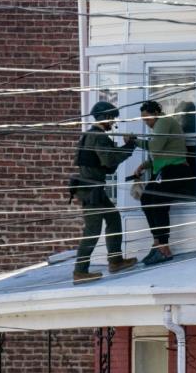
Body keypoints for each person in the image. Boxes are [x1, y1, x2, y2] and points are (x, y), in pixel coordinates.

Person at [72, 101, 138, 284]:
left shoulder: (88, 135)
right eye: (112, 118)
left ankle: (115, 260)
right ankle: (80, 271)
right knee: (92, 230)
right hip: (91, 191)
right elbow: (109, 162)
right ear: (106, 117)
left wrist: (119, 151)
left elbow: (106, 164)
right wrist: (129, 146)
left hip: (92, 188)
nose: (113, 122)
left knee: (113, 218)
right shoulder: (99, 137)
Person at [134, 100, 195, 266]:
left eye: (147, 118)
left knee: (158, 201)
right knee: (147, 199)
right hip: (166, 169)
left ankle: (163, 248)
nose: (146, 123)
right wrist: (144, 166)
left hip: (175, 169)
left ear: (156, 113)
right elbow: (162, 154)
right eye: (143, 120)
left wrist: (134, 140)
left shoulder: (164, 121)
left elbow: (155, 148)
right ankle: (158, 243)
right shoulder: (160, 126)